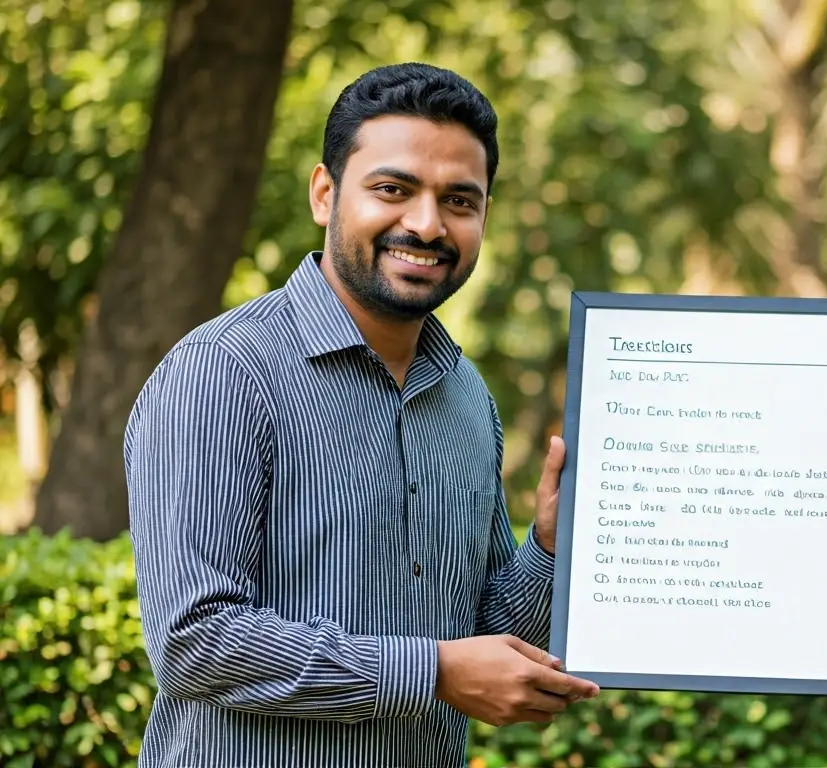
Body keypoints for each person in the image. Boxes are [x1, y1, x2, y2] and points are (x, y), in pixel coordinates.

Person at [123, 63, 599, 767]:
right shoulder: (221, 373)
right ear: (325, 194)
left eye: (458, 200)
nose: (427, 224)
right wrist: (431, 672)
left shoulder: (467, 399)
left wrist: (551, 547)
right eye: (393, 189)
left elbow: (482, 637)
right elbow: (194, 641)